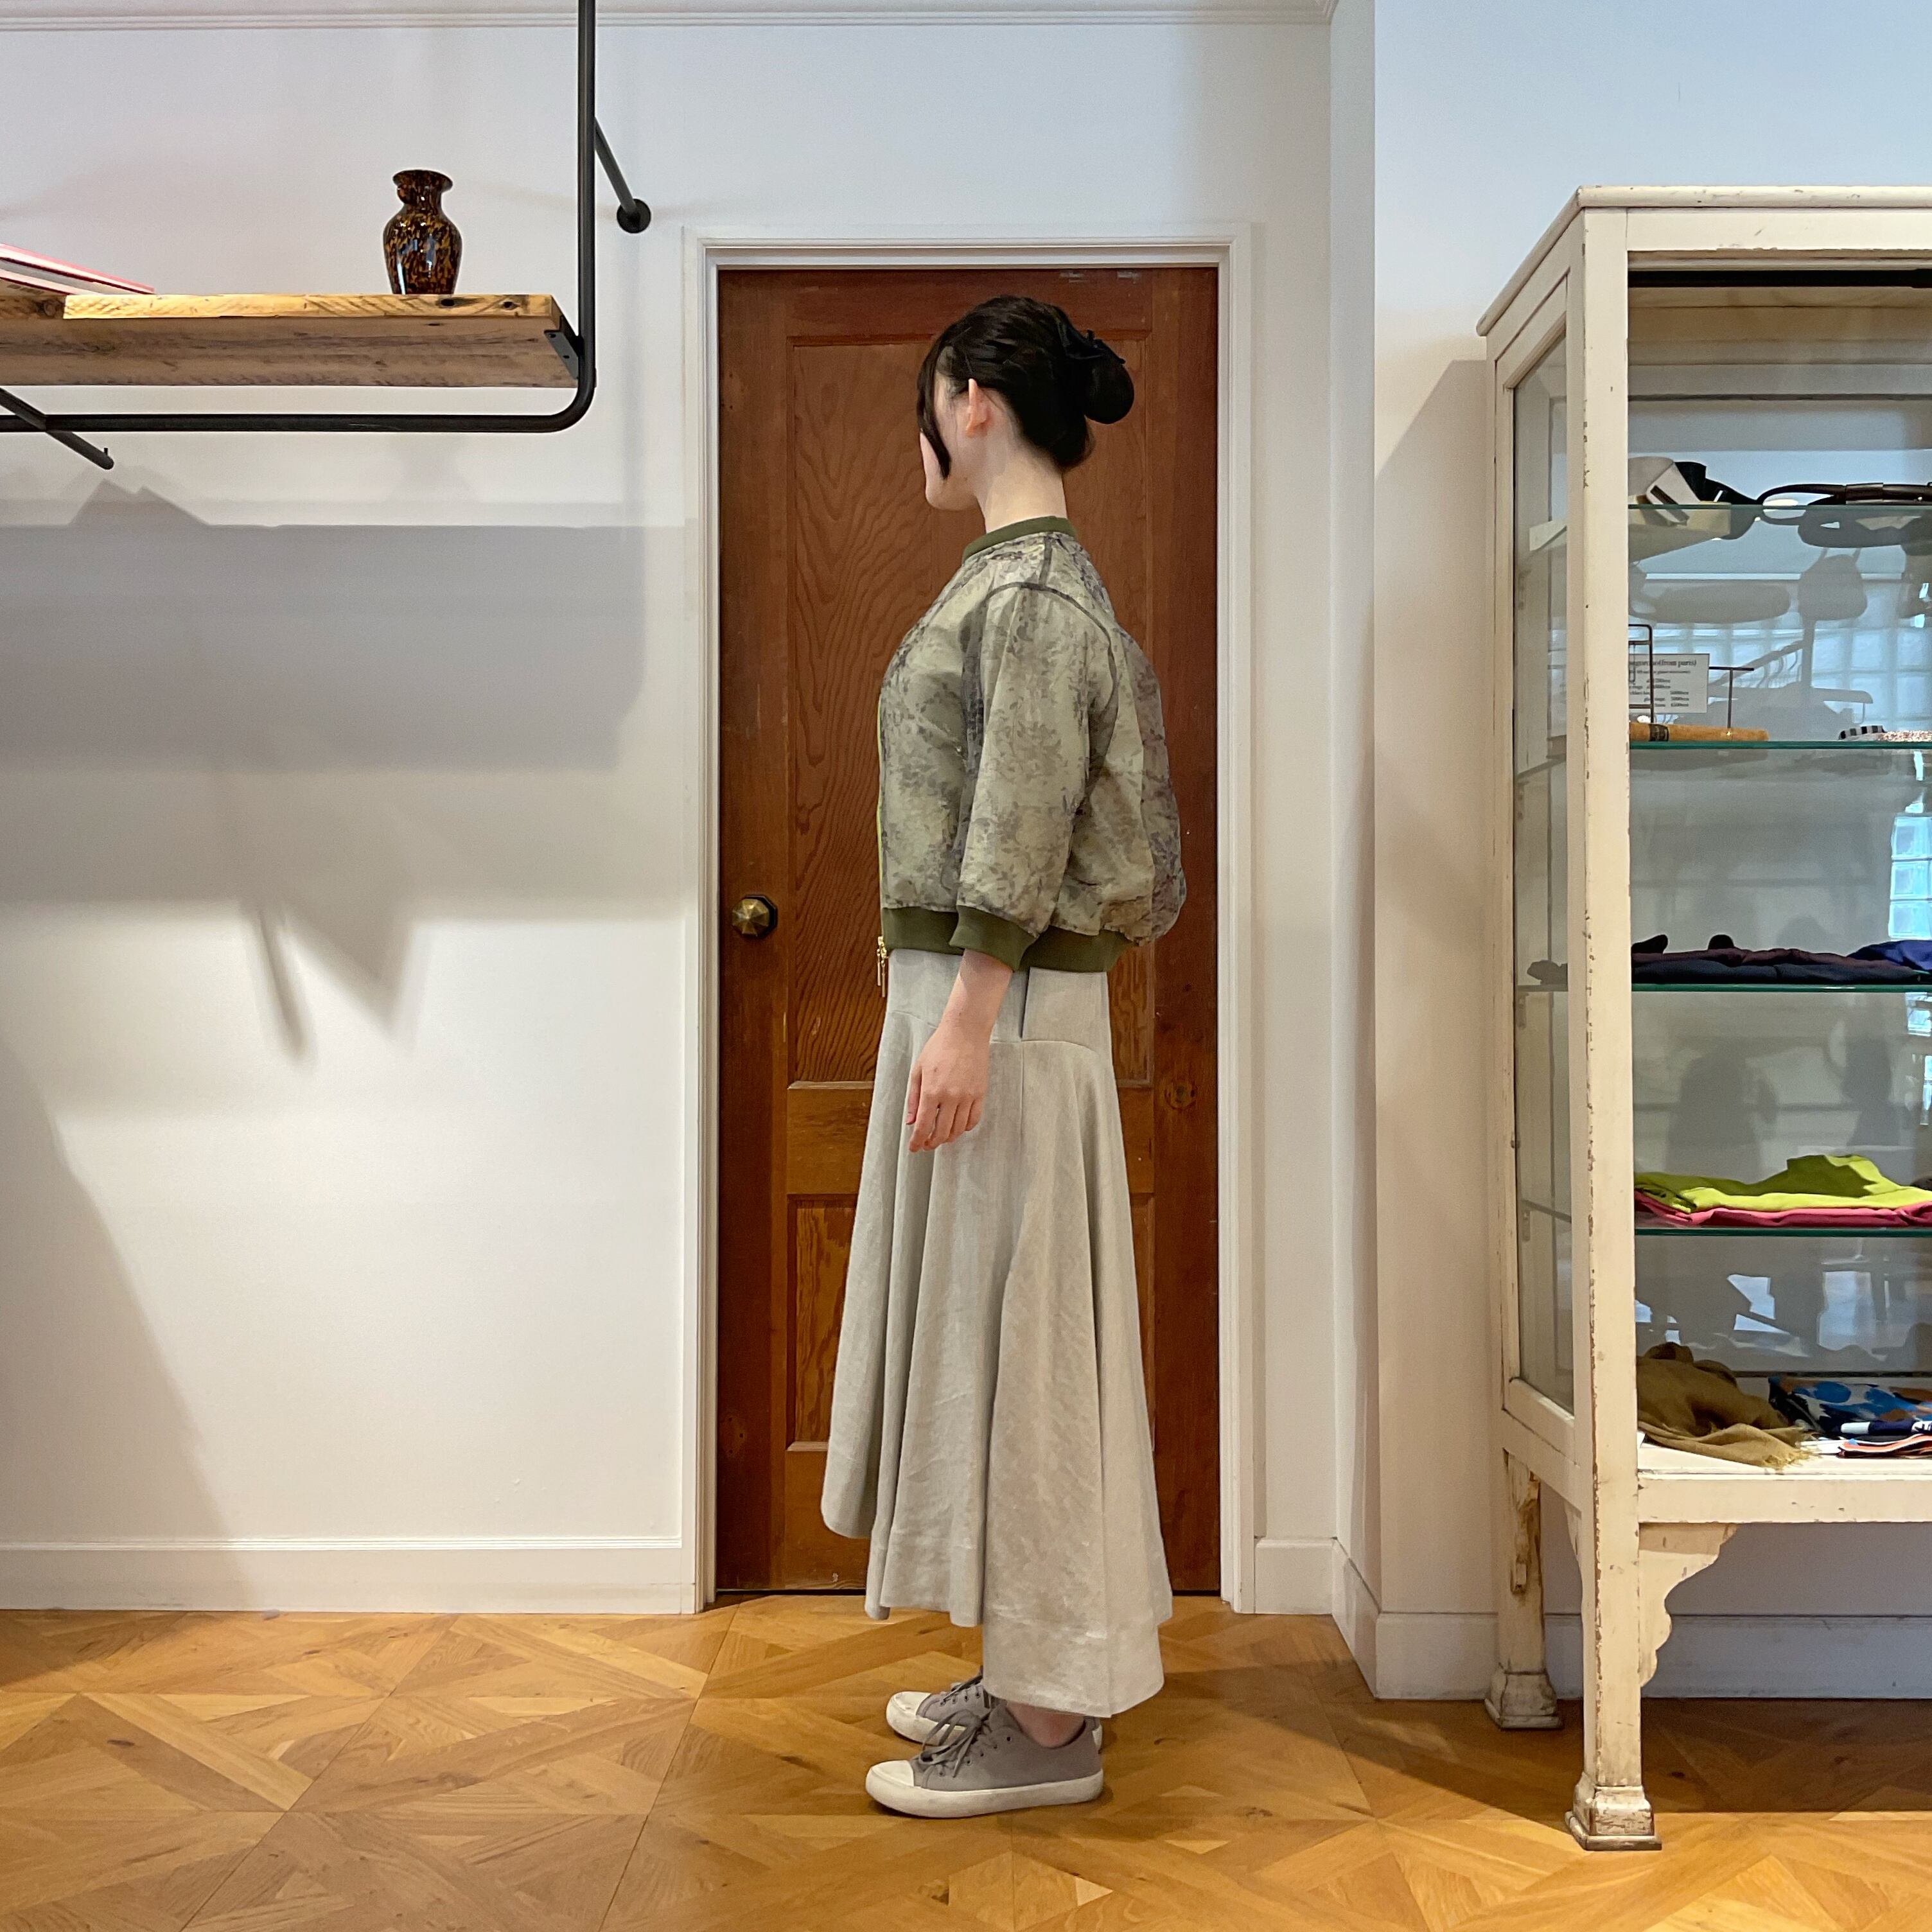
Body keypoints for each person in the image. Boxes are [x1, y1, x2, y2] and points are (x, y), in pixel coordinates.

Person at [820, 294, 1186, 1820]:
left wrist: (966, 1018)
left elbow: (1021, 822)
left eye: (926, 402)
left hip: (1006, 1013)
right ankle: (1034, 1671)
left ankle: (1048, 1725)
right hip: (997, 1005)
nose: (920, 432)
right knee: (1004, 1343)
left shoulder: (1029, 598)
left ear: (970, 400)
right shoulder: (1021, 583)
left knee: (1025, 1355)